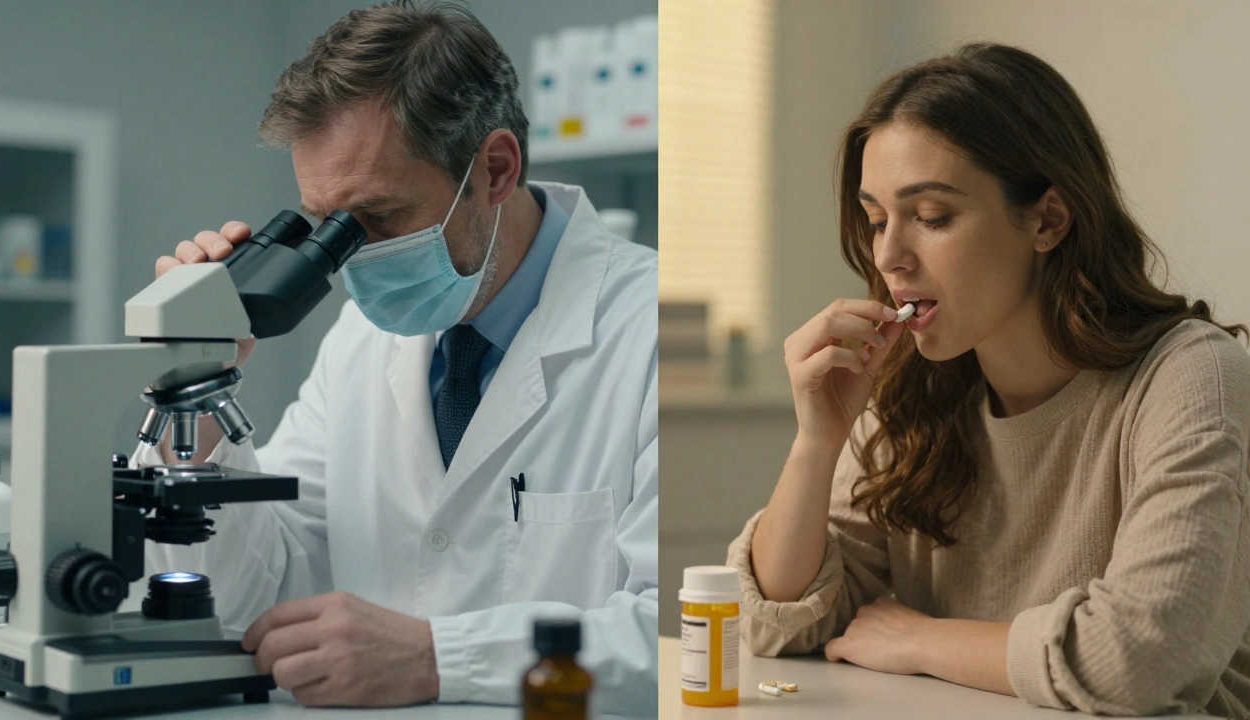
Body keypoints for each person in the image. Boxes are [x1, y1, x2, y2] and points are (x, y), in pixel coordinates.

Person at [137, 2, 657, 713]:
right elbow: (250, 593)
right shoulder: (360, 339)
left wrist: (442, 659)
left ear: (496, 170)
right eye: (328, 225)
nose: (355, 257)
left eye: (380, 217)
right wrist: (193, 386)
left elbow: (689, 634)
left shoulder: (648, 331)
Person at [727, 42, 1250, 717]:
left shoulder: (1191, 378)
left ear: (1048, 219)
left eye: (931, 217)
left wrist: (922, 641)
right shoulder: (907, 393)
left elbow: (1136, 660)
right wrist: (816, 443)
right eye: (877, 220)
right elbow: (776, 626)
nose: (889, 256)